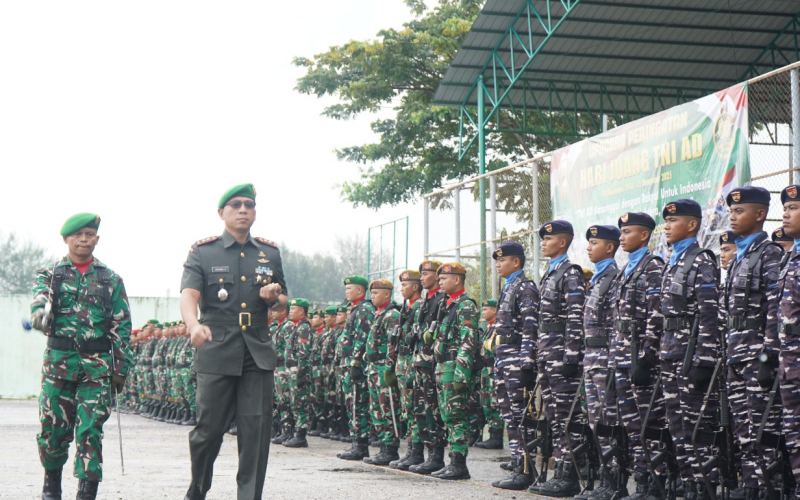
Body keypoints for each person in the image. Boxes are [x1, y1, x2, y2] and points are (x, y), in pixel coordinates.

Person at [180, 183, 287, 500]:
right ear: (221, 212)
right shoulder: (204, 251)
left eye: (250, 205)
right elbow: (189, 295)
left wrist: (274, 297)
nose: (244, 210)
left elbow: (283, 302)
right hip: (216, 346)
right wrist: (193, 324)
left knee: (255, 431)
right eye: (237, 205)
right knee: (208, 431)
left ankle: (250, 496)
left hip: (257, 348)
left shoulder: (269, 253)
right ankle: (198, 488)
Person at [31, 213, 132, 500]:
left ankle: (87, 492)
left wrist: (120, 369)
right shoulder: (51, 274)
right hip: (58, 367)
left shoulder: (111, 279)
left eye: (89, 234)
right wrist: (40, 314)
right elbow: (40, 300)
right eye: (78, 235)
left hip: (96, 369)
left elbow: (121, 326)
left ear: (97, 239)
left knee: (91, 431)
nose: (84, 239)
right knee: (54, 431)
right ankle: (52, 485)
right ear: (66, 239)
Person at [720, 186, 784, 500]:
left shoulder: (770, 254)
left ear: (760, 214)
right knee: (742, 428)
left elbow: (776, 308)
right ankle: (750, 486)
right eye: (731, 211)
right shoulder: (738, 258)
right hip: (735, 355)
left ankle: (768, 488)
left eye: (739, 211)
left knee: (762, 427)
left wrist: (768, 357)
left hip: (756, 355)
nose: (733, 217)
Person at [659, 199, 720, 500]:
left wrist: (705, 359)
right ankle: (689, 486)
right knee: (677, 428)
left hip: (690, 356)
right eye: (666, 222)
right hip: (670, 355)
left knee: (697, 428)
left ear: (692, 225)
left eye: (673, 221)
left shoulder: (701, 260)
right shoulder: (674, 262)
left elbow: (709, 315)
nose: (667, 226)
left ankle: (704, 488)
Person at [529, 220, 586, 497]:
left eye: (548, 239)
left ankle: (570, 476)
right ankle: (559, 473)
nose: (543, 242)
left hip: (563, 355)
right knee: (553, 416)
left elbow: (576, 317)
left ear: (562, 242)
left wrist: (572, 356)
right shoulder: (551, 273)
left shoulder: (570, 274)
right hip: (548, 353)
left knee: (567, 417)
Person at [612, 212, 667, 500]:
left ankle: (655, 483)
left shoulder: (652, 267)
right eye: (621, 232)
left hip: (641, 359)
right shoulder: (627, 269)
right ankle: (642, 482)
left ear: (644, 235)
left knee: (649, 423)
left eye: (628, 232)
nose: (621, 237)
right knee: (632, 425)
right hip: (622, 358)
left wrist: (647, 358)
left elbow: (656, 316)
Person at [489, 241, 540, 491]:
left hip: (517, 360)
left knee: (521, 417)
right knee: (509, 415)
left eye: (502, 260)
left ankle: (526, 469)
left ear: (516, 262)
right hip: (504, 358)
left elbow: (531, 327)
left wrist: (527, 363)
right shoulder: (509, 287)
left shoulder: (525, 288)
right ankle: (518, 463)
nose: (498, 264)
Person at [425, 262, 479, 480]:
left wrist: (461, 373)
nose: (440, 282)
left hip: (454, 368)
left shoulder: (465, 305)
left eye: (444, 279)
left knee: (456, 415)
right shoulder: (446, 305)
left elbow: (468, 341)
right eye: (438, 279)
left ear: (456, 280)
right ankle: (452, 461)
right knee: (447, 415)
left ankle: (459, 464)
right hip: (442, 366)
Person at [581, 225, 624, 500]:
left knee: (610, 422)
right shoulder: (598, 279)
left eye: (594, 242)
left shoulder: (613, 278)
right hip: (591, 360)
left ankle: (616, 483)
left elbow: (615, 326)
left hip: (606, 360)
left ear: (610, 247)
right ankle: (607, 480)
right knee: (597, 424)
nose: (588, 247)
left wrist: (611, 362)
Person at [770, 184, 800, 498]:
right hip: (789, 365)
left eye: (793, 208)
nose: (785, 213)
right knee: (793, 438)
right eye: (785, 208)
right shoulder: (789, 259)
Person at [409, 261, 448, 475]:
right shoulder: (426, 300)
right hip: (420, 361)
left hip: (432, 362)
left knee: (434, 410)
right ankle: (423, 452)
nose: (422, 278)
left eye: (426, 274)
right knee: (421, 408)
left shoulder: (442, 301)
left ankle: (436, 456)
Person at [387, 270, 425, 469]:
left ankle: (416, 452)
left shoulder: (420, 308)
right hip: (402, 362)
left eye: (405, 285)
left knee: (413, 408)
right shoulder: (405, 308)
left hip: (411, 362)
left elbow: (415, 339)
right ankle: (410, 450)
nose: (401, 289)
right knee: (406, 409)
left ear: (415, 287)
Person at [362, 279, 402, 465]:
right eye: (371, 293)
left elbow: (392, 345)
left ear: (387, 294)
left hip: (383, 369)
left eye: (376, 293)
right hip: (373, 368)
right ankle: (383, 446)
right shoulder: (379, 314)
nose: (372, 296)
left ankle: (391, 449)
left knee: (388, 409)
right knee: (376, 409)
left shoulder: (392, 315)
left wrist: (389, 368)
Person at [337, 276, 376, 461]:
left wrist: (356, 363)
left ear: (360, 291)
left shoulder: (364, 309)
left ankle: (360, 446)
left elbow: (362, 339)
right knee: (351, 405)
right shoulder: (355, 309)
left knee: (357, 406)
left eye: (349, 288)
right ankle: (356, 443)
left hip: (355, 365)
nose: (346, 291)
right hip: (348, 363)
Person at [474, 299, 504, 451]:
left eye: (486, 309)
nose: (483, 312)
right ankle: (491, 435)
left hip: (493, 369)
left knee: (494, 402)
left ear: (494, 311)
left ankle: (496, 436)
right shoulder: (489, 328)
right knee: (486, 402)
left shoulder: (499, 328)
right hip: (485, 370)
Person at [283, 298, 312, 448]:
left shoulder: (303, 328)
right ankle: (296, 433)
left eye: (293, 309)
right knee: (294, 403)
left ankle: (301, 436)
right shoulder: (297, 327)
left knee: (300, 404)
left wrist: (301, 372)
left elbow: (304, 353)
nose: (290, 311)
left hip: (298, 370)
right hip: (292, 370)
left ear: (301, 311)